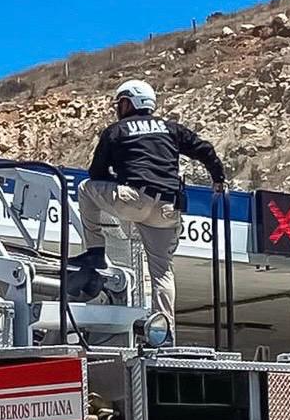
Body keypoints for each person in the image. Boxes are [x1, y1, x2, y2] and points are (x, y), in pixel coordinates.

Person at [71, 79, 225, 345]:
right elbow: (204, 149)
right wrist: (218, 178)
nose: (118, 108)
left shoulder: (116, 130)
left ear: (129, 102)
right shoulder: (171, 129)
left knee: (86, 189)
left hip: (133, 199)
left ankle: (95, 253)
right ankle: (165, 336)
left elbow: (96, 173)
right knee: (163, 273)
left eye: (120, 102)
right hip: (167, 208)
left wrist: (115, 179)